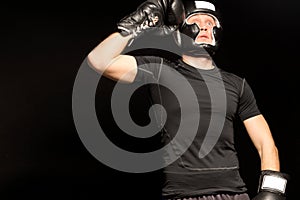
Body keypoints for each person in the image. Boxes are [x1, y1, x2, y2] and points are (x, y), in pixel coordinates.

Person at [86, 0, 290, 199]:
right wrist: (138, 23)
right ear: (181, 32)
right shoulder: (160, 71)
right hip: (183, 195)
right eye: (196, 21)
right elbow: (99, 61)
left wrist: (272, 191)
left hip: (235, 193)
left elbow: (266, 144)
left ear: (217, 31)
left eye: (210, 22)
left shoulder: (237, 84)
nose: (204, 27)